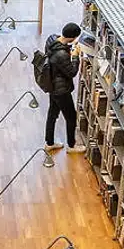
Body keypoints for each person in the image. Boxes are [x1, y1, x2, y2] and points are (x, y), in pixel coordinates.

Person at [44, 22, 83, 153]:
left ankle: (49, 143)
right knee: (71, 117)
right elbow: (72, 72)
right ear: (72, 38)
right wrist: (76, 56)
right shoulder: (62, 55)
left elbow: (59, 55)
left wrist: (69, 48)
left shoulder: (51, 40)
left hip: (52, 85)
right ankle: (72, 146)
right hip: (61, 90)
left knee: (52, 114)